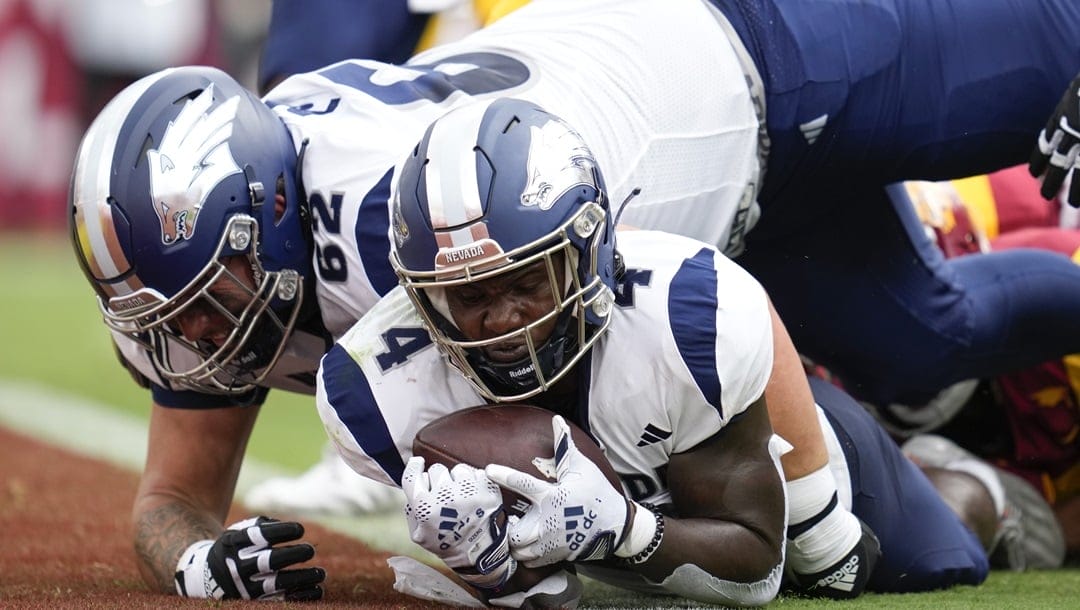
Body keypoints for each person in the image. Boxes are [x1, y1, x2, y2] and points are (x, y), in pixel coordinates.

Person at [68, 0, 1080, 599]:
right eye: (164, 314)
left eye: (206, 303)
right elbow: (171, 501)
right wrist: (200, 560)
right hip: (684, 216)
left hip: (760, 53)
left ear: (277, 211)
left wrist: (755, 511)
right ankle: (963, 477)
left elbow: (708, 317)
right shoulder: (229, 261)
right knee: (933, 347)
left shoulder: (414, 236)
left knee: (1056, 68)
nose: (191, 341)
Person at [313, 98, 994, 607]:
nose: (502, 322)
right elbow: (551, 598)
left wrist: (625, 529)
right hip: (650, 528)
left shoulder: (682, 318)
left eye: (524, 282)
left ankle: (977, 484)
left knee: (889, 565)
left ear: (587, 253)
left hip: (761, 467)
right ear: (423, 297)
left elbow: (760, 567)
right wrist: (490, 568)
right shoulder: (373, 391)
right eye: (468, 297)